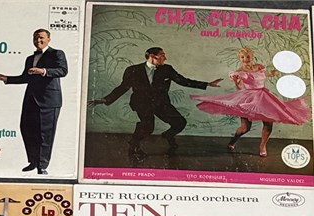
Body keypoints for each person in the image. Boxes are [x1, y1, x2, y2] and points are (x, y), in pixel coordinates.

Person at [88, 47, 222, 160]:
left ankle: (168, 135)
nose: (165, 58)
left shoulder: (167, 69)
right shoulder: (133, 70)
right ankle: (133, 146)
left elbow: (183, 80)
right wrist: (105, 100)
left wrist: (207, 84)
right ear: (153, 56)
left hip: (161, 103)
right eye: (162, 55)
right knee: (147, 126)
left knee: (180, 122)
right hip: (142, 103)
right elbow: (123, 87)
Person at [192, 47, 309, 158]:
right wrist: (236, 81)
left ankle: (262, 146)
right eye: (242, 57)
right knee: (245, 128)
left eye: (247, 56)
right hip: (249, 99)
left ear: (252, 57)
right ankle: (233, 141)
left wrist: (272, 74)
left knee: (268, 123)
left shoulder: (259, 67)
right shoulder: (239, 72)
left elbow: (264, 75)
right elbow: (239, 87)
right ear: (240, 58)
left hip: (264, 97)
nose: (245, 59)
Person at [0, 29, 68, 175]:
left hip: (49, 101)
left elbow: (63, 71)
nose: (38, 41)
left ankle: (42, 166)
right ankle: (33, 162)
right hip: (31, 99)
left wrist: (43, 71)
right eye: (35, 38)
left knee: (45, 134)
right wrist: (7, 79)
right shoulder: (30, 58)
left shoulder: (57, 53)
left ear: (49, 39)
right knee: (27, 129)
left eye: (41, 38)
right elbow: (25, 78)